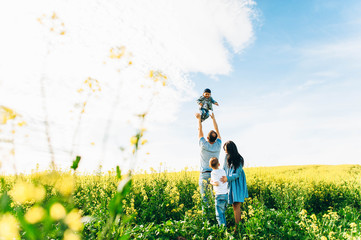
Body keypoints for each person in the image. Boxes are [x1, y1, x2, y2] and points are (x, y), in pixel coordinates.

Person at [220, 141, 248, 232]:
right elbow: (224, 169)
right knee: (234, 205)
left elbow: (237, 174)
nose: (225, 152)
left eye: (226, 150)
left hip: (237, 183)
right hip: (230, 183)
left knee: (236, 205)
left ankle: (237, 228)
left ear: (231, 149)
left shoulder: (239, 159)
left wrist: (227, 178)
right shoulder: (226, 157)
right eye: (225, 150)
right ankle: (239, 225)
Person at [195, 112, 222, 205]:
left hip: (204, 175)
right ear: (216, 139)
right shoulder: (218, 145)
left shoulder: (203, 144)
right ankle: (217, 217)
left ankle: (206, 219)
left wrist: (199, 119)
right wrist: (213, 119)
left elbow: (200, 130)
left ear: (207, 138)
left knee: (205, 200)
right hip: (215, 174)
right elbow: (217, 130)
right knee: (216, 198)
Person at [209, 157, 228, 227]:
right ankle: (225, 228)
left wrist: (211, 182)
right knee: (222, 213)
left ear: (210, 166)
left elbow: (217, 183)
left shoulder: (213, 173)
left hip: (219, 196)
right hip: (226, 195)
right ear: (219, 164)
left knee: (219, 215)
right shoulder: (223, 171)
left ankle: (223, 231)